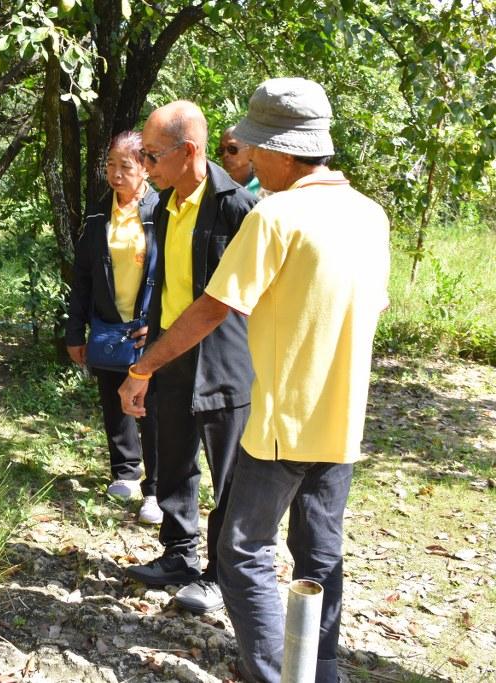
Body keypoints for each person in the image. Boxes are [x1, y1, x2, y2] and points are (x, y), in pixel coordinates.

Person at [119, 78, 390, 682]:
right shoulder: (370, 215)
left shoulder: (275, 214)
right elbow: (369, 308)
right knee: (319, 555)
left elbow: (212, 309)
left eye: (256, 146)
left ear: (284, 150)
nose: (247, 156)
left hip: (280, 423)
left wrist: (142, 367)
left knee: (241, 552)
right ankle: (321, 670)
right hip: (343, 422)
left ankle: (276, 674)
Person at [123, 101, 256, 615]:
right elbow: (166, 283)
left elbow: (235, 300)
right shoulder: (160, 206)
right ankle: (178, 555)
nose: (146, 167)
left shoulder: (235, 207)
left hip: (226, 361)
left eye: (152, 156)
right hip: (170, 353)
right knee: (174, 459)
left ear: (190, 152)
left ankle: (221, 575)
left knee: (231, 475)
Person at [65, 131, 161, 520]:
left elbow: (173, 274)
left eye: (126, 166)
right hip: (108, 324)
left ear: (145, 170)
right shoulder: (97, 214)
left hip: (148, 328)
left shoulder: (162, 211)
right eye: (110, 165)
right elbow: (83, 278)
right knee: (113, 398)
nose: (116, 174)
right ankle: (125, 471)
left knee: (152, 405)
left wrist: (157, 324)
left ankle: (155, 489)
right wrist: (75, 331)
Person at [216, 126, 261, 195]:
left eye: (232, 149)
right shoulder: (217, 187)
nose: (225, 155)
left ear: (250, 150)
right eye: (221, 150)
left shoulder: (265, 188)